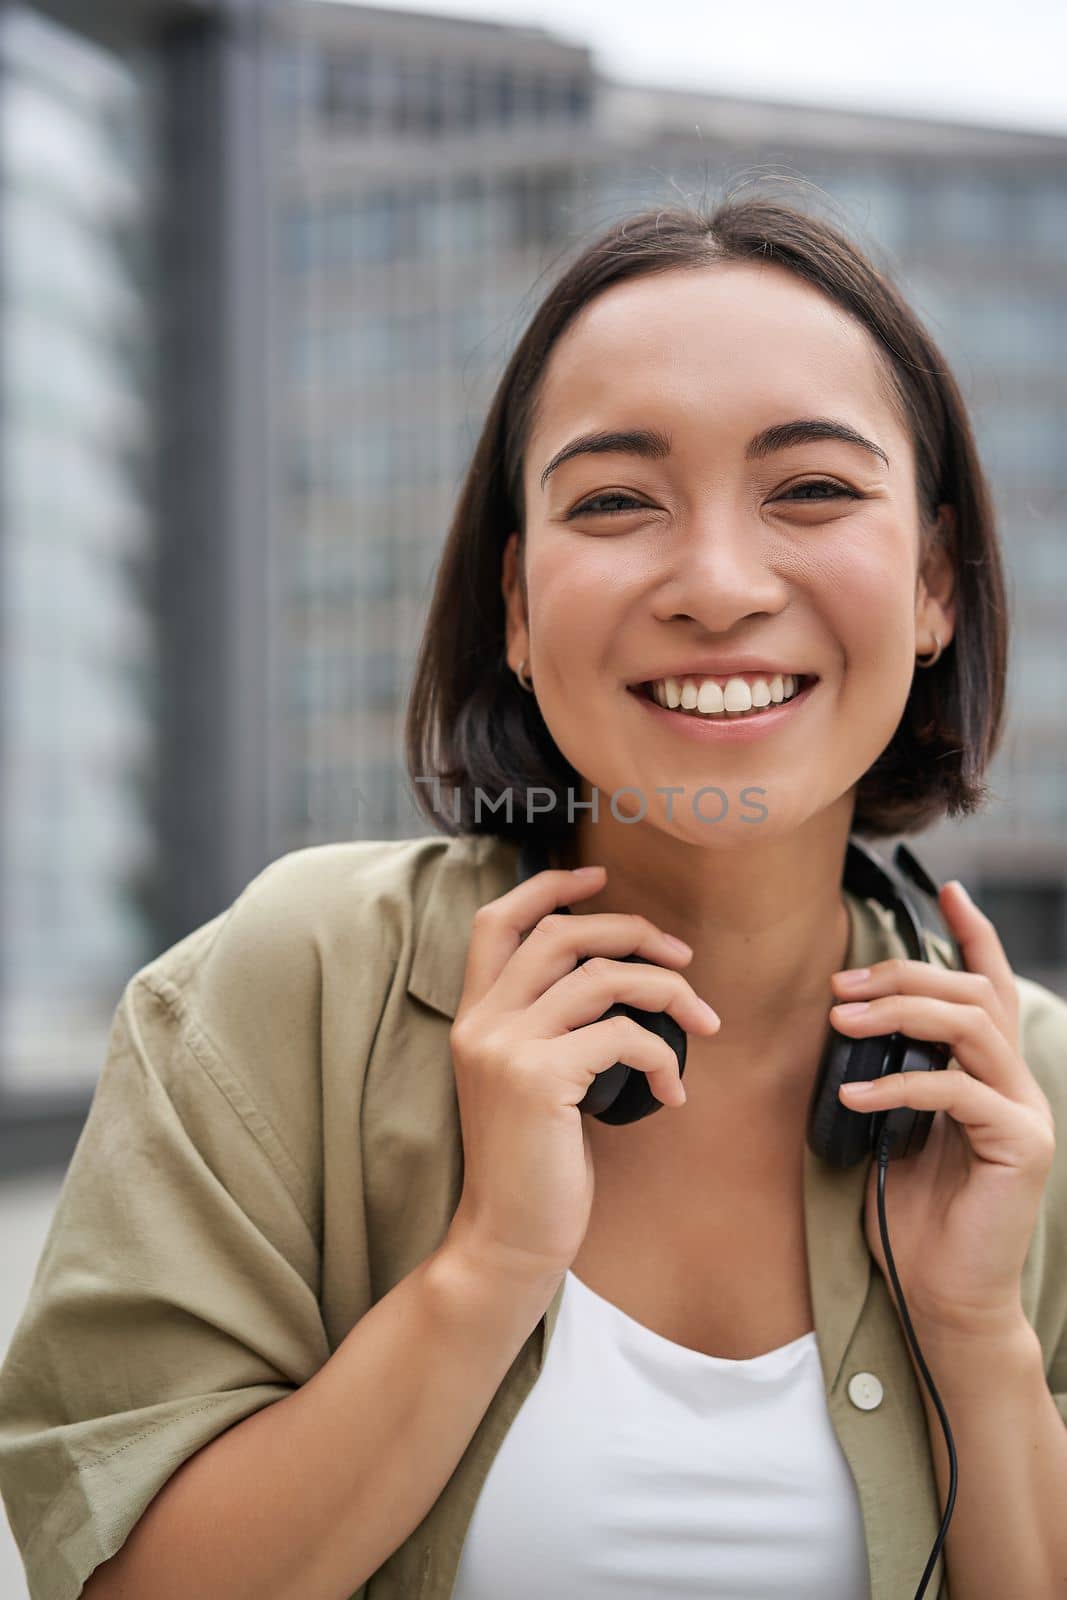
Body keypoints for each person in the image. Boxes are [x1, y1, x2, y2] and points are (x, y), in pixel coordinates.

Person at [1, 195, 1066, 1600]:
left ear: (934, 583)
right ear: (515, 603)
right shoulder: (291, 985)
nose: (718, 584)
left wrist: (980, 1333)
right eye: (616, 501)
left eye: (810, 489)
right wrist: (487, 1264)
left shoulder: (1027, 1094)